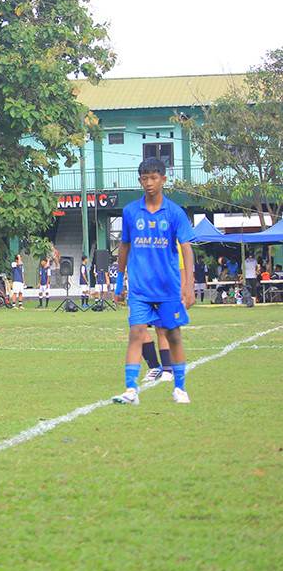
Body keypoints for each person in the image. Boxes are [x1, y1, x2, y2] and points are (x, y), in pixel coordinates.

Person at [112, 158, 196, 406]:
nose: (149, 183)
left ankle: (179, 388)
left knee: (173, 335)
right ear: (140, 181)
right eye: (144, 178)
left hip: (168, 288)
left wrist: (188, 285)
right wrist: (119, 281)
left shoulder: (174, 213)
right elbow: (124, 246)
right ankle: (130, 390)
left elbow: (187, 248)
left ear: (163, 180)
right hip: (140, 288)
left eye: (154, 178)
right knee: (136, 332)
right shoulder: (130, 212)